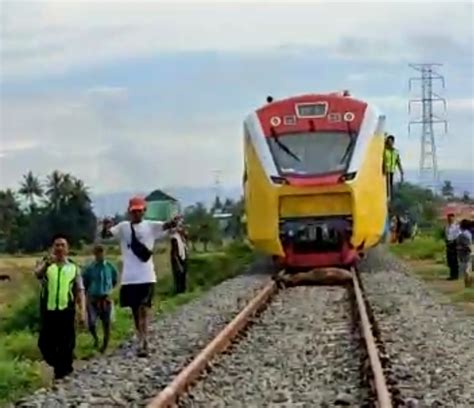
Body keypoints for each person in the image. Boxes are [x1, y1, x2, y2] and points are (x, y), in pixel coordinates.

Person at [99, 196, 178, 357]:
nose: (136, 214)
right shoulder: (123, 227)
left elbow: (166, 225)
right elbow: (106, 236)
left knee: (143, 308)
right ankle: (141, 337)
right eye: (134, 211)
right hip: (130, 278)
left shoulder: (151, 226)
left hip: (146, 276)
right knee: (136, 311)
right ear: (130, 212)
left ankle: (144, 339)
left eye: (139, 211)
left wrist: (174, 221)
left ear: (144, 211)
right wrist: (105, 226)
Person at [34, 234, 86, 380]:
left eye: (63, 245)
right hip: (49, 311)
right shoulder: (46, 266)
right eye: (57, 245)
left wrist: (82, 311)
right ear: (52, 248)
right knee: (45, 344)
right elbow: (37, 274)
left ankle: (63, 374)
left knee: (66, 344)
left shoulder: (74, 268)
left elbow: (80, 290)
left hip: (66, 311)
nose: (59, 248)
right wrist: (46, 264)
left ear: (67, 249)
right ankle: (59, 366)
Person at [82, 244, 118, 353]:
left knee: (106, 323)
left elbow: (114, 280)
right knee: (91, 322)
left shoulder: (110, 267)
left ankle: (105, 344)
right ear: (94, 254)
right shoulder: (90, 268)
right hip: (93, 298)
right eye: (97, 253)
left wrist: (108, 290)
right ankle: (96, 339)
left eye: (101, 253)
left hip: (105, 298)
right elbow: (85, 282)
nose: (99, 255)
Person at [170, 219, 188, 294]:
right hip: (177, 259)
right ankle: (179, 293)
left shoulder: (181, 237)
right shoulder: (174, 237)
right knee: (179, 277)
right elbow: (174, 253)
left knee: (183, 276)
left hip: (183, 258)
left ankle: (183, 291)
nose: (182, 228)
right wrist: (178, 264)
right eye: (180, 226)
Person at [383, 135, 404, 200]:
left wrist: (401, 171)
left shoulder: (395, 152)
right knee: (387, 185)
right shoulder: (384, 151)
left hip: (391, 170)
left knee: (390, 185)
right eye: (388, 141)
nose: (390, 143)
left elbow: (398, 161)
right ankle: (387, 197)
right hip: (385, 171)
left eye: (391, 142)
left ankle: (390, 198)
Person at [457, 219, 473, 287]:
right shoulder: (468, 233)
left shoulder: (463, 235)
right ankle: (468, 284)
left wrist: (459, 248)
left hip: (465, 255)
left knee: (466, 271)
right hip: (467, 254)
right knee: (467, 270)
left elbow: (467, 246)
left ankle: (468, 284)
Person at [444, 213, 460, 280]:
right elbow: (446, 235)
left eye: (451, 218)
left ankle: (455, 276)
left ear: (453, 218)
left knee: (454, 261)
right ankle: (451, 275)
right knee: (450, 260)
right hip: (448, 244)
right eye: (449, 218)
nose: (450, 220)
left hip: (454, 244)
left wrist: (454, 243)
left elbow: (458, 236)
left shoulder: (456, 227)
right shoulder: (446, 226)